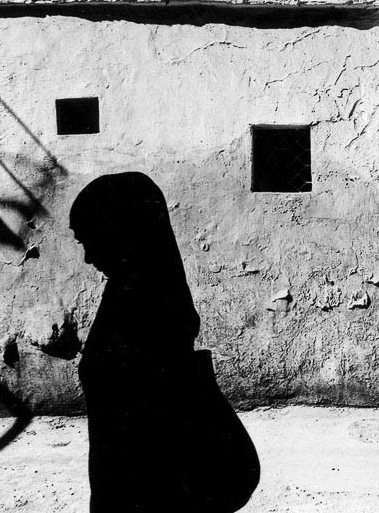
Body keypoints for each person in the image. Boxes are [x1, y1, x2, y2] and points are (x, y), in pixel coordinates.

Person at [70, 172, 259, 512]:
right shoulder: (131, 295)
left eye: (89, 238)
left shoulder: (143, 307)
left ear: (119, 229)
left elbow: (145, 441)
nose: (86, 257)